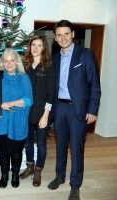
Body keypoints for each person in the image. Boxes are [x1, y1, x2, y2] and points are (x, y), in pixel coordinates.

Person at [47, 20, 101, 200]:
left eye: (66, 34)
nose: (63, 38)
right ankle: (60, 176)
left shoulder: (85, 55)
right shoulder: (54, 58)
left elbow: (95, 84)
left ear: (73, 35)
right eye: (59, 35)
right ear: (55, 38)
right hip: (60, 108)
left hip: (79, 109)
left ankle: (75, 184)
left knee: (76, 149)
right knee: (60, 146)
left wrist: (92, 109)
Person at [0, 48, 33, 189]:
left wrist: (11, 103)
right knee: (3, 149)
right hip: (1, 119)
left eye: (12, 60)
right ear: (2, 62)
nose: (9, 63)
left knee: (16, 150)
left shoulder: (24, 77)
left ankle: (14, 174)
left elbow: (28, 100)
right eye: (5, 61)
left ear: (17, 61)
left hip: (18, 119)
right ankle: (4, 175)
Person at [19, 35, 56, 187]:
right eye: (33, 45)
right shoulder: (25, 65)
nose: (35, 48)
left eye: (39, 45)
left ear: (44, 48)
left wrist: (46, 115)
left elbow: (51, 93)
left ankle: (38, 170)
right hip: (26, 112)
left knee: (41, 144)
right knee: (27, 142)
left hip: (42, 113)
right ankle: (29, 166)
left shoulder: (49, 66)